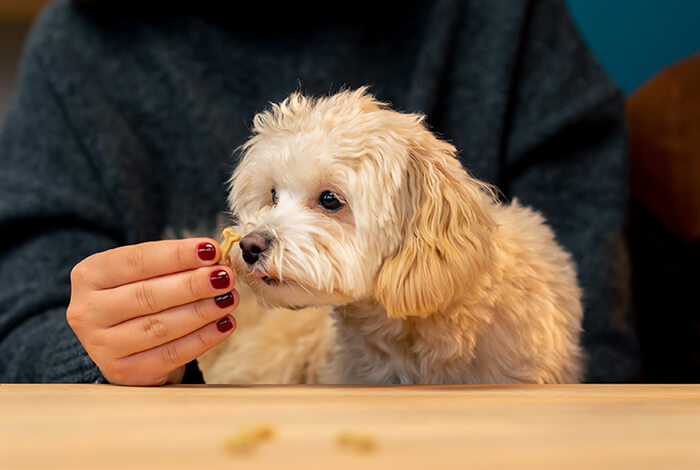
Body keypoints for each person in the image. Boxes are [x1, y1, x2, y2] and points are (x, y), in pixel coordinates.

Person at [0, 0, 639, 384]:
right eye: (268, 198)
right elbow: (19, 323)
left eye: (328, 201)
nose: (257, 233)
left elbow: (597, 355)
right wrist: (92, 355)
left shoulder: (509, 22)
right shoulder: (77, 49)